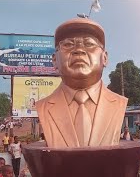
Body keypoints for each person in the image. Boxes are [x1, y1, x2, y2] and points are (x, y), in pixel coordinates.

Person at [36, 18, 128, 147]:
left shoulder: (119, 103)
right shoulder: (43, 107)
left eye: (89, 44)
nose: (79, 50)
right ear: (55, 60)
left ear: (105, 58)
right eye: (68, 44)